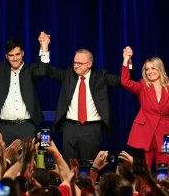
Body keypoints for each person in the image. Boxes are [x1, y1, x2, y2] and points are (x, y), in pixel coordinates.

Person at [43, 33, 121, 162]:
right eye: (75, 62)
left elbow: (122, 81)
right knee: (70, 166)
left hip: (92, 130)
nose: (76, 66)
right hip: (70, 129)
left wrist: (127, 62)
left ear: (89, 64)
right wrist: (45, 46)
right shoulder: (68, 74)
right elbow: (47, 71)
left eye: (80, 63)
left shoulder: (100, 76)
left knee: (90, 169)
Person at [120, 46, 169, 169]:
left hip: (165, 137)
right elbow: (125, 82)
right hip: (144, 135)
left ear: (160, 70)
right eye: (147, 69)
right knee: (142, 173)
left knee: (164, 174)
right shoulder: (143, 87)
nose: (150, 72)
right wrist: (126, 59)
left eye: (153, 68)